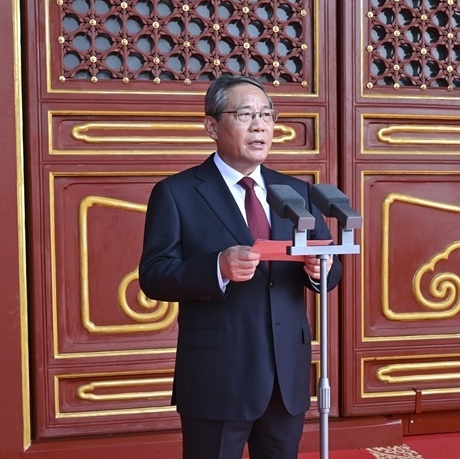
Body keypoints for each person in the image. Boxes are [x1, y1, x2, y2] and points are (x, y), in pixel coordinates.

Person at [139, 74, 342, 459]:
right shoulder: (177, 192)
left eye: (267, 115)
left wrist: (321, 270)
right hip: (217, 374)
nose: (260, 125)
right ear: (212, 126)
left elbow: (330, 265)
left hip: (285, 375)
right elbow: (154, 276)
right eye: (246, 114)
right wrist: (217, 267)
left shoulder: (297, 191)